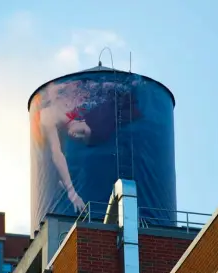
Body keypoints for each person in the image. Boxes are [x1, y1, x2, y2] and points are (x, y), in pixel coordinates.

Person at [31, 77, 142, 213]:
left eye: (82, 134)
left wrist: (70, 190)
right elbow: (57, 154)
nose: (76, 136)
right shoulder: (50, 115)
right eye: (81, 135)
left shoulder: (66, 103)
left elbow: (58, 153)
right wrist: (72, 192)